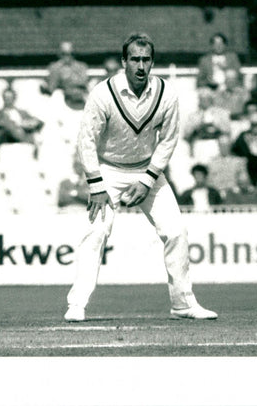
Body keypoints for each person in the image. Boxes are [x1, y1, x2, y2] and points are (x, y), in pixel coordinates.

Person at [63, 33, 216, 322]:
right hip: (108, 170)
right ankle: (77, 304)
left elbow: (169, 140)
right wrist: (96, 186)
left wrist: (147, 179)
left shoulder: (166, 93)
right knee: (96, 233)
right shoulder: (102, 93)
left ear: (152, 62)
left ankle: (183, 304)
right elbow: (86, 140)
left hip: (147, 171)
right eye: (134, 59)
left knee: (176, 232)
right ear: (124, 62)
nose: (141, 66)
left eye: (146, 60)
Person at [41, 41, 89, 109]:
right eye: (64, 54)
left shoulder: (81, 66)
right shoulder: (55, 67)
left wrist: (68, 79)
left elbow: (84, 82)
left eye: (70, 54)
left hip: (80, 100)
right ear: (59, 54)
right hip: (63, 101)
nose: (67, 57)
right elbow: (51, 87)